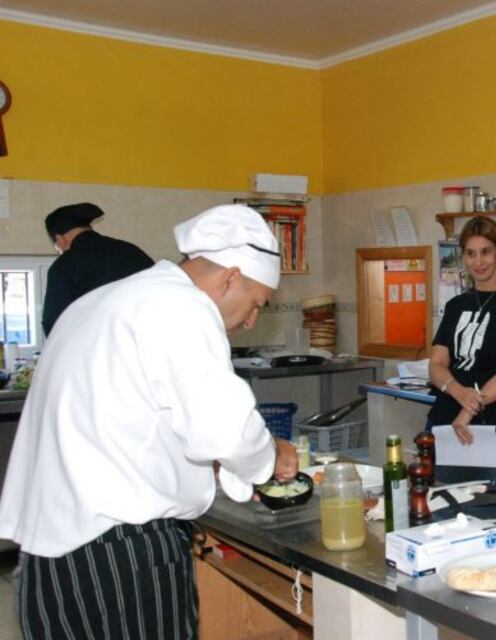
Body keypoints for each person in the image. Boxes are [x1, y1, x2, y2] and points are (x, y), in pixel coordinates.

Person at [0, 204, 299, 639]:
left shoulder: (103, 301)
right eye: (256, 304)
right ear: (230, 277)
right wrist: (271, 457)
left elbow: (133, 419)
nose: (251, 320)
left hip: (51, 560)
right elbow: (227, 430)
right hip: (120, 558)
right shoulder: (180, 308)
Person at [428, 216, 496, 485]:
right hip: (445, 418)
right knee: (436, 498)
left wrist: (469, 408)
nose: (478, 261)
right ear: (463, 257)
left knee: (475, 503)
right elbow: (436, 364)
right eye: (471, 253)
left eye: (486, 252)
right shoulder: (456, 306)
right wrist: (458, 391)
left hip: (491, 420)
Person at [41, 202, 154, 335]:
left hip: (96, 346)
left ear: (59, 239)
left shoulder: (64, 265)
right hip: (144, 339)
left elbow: (53, 322)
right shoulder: (132, 251)